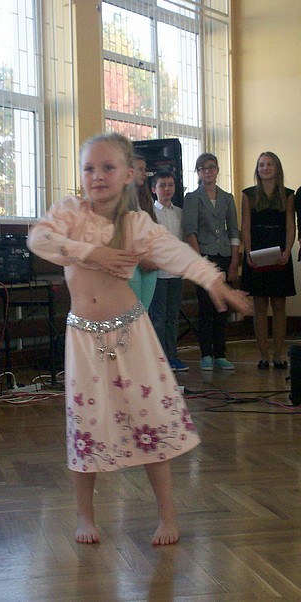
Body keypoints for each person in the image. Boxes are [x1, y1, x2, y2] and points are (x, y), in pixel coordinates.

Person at [27, 132, 249, 546]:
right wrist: (92, 253)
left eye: (108, 167)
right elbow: (38, 239)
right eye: (89, 168)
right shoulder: (70, 213)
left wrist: (214, 281)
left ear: (129, 174)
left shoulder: (135, 224)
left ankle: (167, 515)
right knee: (85, 425)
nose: (97, 175)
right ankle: (85, 515)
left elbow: (175, 253)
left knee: (149, 421)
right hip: (83, 340)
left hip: (131, 333)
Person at [182, 153, 240, 371]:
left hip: (224, 256)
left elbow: (233, 231)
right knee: (206, 307)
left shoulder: (227, 198)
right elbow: (190, 231)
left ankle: (220, 354)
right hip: (204, 255)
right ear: (198, 172)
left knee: (222, 306)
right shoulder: (192, 198)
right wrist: (200, 263)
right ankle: (206, 353)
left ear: (217, 170)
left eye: (211, 167)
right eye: (203, 168)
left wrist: (234, 260)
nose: (208, 171)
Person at [241, 152, 296, 369]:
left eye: (269, 164)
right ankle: (264, 355)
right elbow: (246, 226)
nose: (265, 168)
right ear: (257, 169)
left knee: (280, 305)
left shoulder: (288, 195)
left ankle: (278, 355)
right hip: (257, 254)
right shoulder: (248, 194)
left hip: (280, 254)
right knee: (260, 306)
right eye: (261, 165)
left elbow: (290, 226)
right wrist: (248, 253)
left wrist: (287, 251)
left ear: (277, 168)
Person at [149, 170, 188, 372]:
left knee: (173, 317)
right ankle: (160, 359)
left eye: (170, 185)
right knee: (158, 318)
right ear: (153, 189)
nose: (167, 189)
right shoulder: (149, 214)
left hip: (175, 273)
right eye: (162, 185)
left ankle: (173, 356)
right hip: (157, 274)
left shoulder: (179, 213)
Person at [127, 154, 158, 309]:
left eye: (144, 169)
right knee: (132, 313)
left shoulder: (147, 198)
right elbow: (123, 235)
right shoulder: (119, 199)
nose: (144, 173)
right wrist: (141, 259)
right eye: (140, 169)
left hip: (149, 258)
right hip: (131, 262)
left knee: (144, 313)